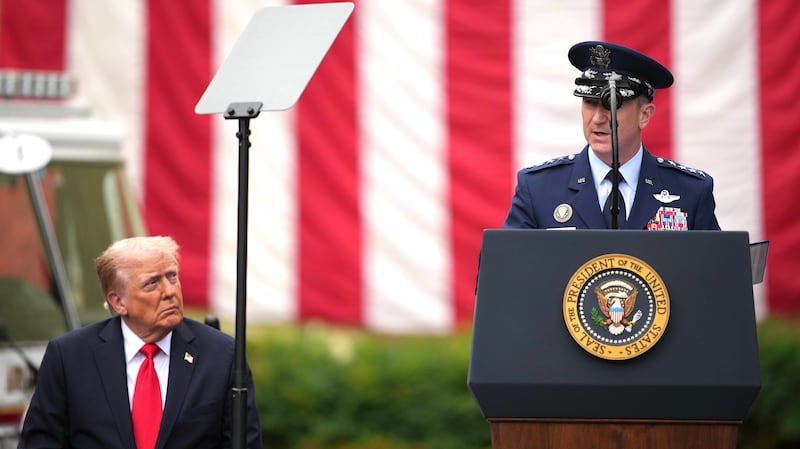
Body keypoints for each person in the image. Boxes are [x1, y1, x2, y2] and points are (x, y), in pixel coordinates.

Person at [18, 236, 263, 449]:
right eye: (152, 283)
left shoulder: (221, 355)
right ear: (118, 302)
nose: (169, 291)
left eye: (172, 276)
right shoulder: (69, 357)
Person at [503, 41, 721, 231]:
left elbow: (716, 275)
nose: (597, 118)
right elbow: (502, 274)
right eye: (589, 103)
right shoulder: (539, 189)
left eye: (611, 104)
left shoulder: (690, 191)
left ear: (644, 115)